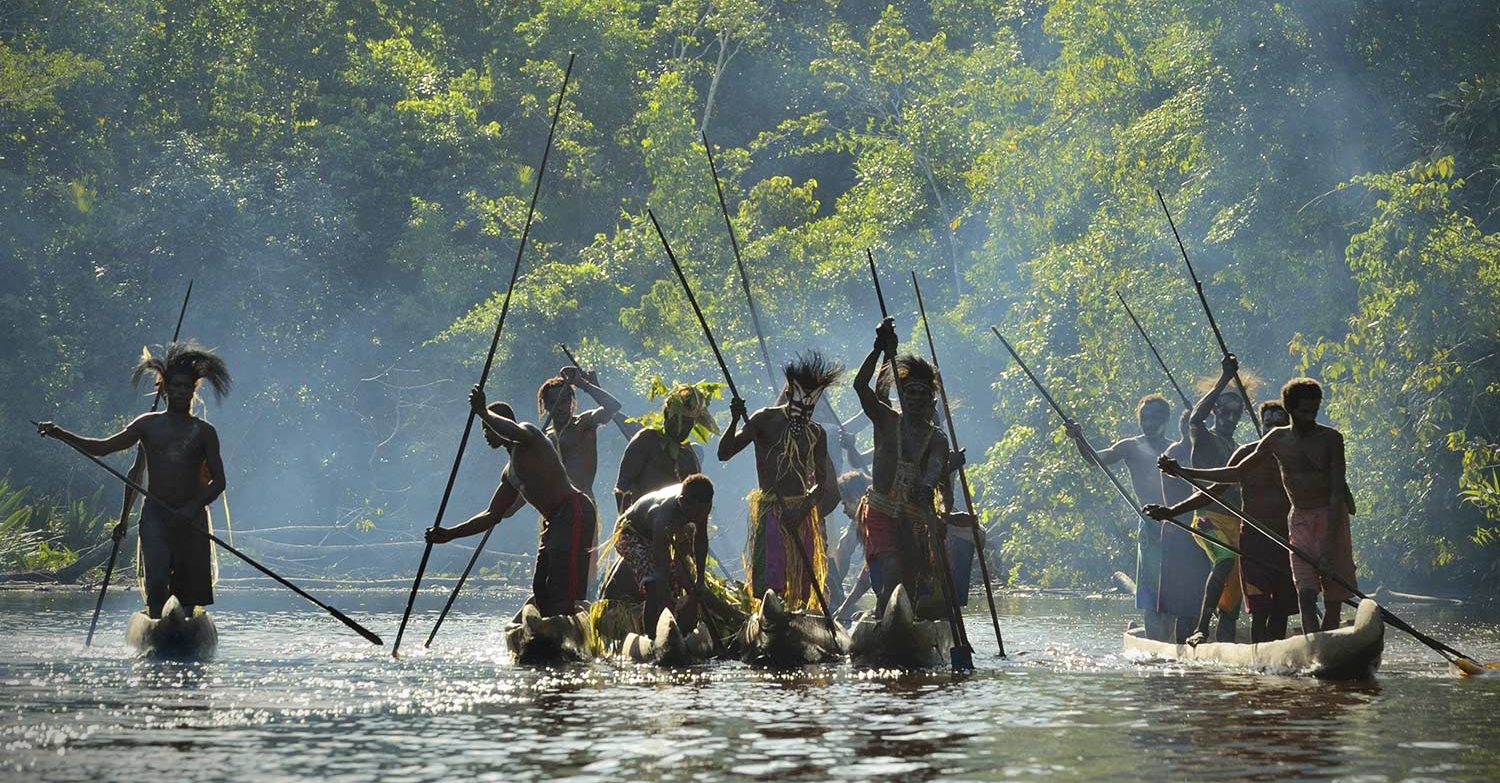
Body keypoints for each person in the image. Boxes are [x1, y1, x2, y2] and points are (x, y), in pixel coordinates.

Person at [36, 341, 230, 619]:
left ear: (193, 390)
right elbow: (104, 448)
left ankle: (186, 627)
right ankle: (155, 626)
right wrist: (60, 434)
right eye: (174, 386)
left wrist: (190, 509)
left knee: (188, 589)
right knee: (157, 578)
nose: (179, 392)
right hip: (156, 518)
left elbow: (219, 482)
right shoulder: (147, 425)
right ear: (164, 389)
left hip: (191, 519)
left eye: (185, 387)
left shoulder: (204, 432)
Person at [1163, 378, 1356, 634]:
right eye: (1302, 412)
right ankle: (1207, 629)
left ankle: (1317, 648)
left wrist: (1331, 542)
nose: (1308, 418)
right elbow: (1231, 476)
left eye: (1313, 412)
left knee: (1309, 604)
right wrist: (1181, 477)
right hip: (1271, 531)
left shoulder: (1329, 439)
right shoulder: (1269, 443)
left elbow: (1336, 490)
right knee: (1296, 598)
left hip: (1304, 528)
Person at [427, 386, 596, 617]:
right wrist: (450, 534)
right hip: (554, 522)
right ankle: (547, 631)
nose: (486, 433)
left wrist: (484, 412)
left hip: (573, 511)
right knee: (540, 587)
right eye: (484, 428)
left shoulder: (530, 436)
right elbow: (491, 515)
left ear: (501, 424)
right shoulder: (509, 473)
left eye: (488, 428)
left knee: (560, 587)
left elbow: (511, 430)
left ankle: (568, 630)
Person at [1147, 401, 1297, 642]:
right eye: (1268, 424)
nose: (1272, 430)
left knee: (1280, 610)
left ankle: (1277, 661)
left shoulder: (1296, 455)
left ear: (1288, 425)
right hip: (1251, 538)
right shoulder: (1247, 454)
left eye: (1279, 425)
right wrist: (1172, 510)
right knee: (1259, 610)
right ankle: (1205, 629)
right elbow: (1217, 487)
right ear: (1261, 425)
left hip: (1285, 539)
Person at [718, 352, 843, 611]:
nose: (805, 412)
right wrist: (733, 420)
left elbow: (821, 482)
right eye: (801, 404)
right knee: (772, 577)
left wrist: (804, 508)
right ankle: (770, 615)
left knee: (800, 582)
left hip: (803, 512)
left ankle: (799, 618)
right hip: (772, 509)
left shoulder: (816, 433)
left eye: (811, 407)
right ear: (788, 393)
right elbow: (724, 452)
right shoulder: (765, 419)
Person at [852, 318, 953, 617]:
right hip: (881, 509)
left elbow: (935, 468)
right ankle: (885, 622)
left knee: (910, 582)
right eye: (911, 393)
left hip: (913, 515)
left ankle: (901, 621)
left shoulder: (937, 438)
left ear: (932, 400)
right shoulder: (887, 420)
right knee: (892, 572)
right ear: (904, 397)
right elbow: (862, 387)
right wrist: (880, 351)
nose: (917, 399)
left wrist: (926, 487)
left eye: (924, 394)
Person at [1065, 394, 1174, 640]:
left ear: (1166, 419)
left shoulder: (1175, 449)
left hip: (1178, 525)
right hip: (1150, 525)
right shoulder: (1131, 447)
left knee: (1175, 588)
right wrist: (1079, 438)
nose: (1149, 423)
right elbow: (1096, 459)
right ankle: (1157, 641)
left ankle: (1174, 636)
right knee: (1151, 591)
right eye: (1145, 418)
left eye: (1155, 417)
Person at [1174, 355, 1249, 645]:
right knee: (1225, 559)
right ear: (1217, 411)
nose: (1230, 419)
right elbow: (1196, 417)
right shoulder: (1204, 438)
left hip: (1236, 523)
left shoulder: (1240, 448)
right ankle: (1201, 628)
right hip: (1207, 519)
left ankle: (1227, 643)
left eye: (1236, 414)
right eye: (1226, 413)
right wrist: (1223, 378)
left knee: (1232, 599)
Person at [537, 366, 623, 587]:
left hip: (581, 505)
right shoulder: (544, 437)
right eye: (554, 402)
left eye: (565, 400)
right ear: (545, 405)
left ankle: (579, 605)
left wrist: (584, 384)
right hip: (554, 509)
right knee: (552, 567)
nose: (561, 407)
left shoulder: (584, 423)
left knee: (580, 570)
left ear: (572, 402)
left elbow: (613, 407)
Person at [608, 476, 713, 630]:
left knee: (687, 583)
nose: (699, 518)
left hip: (663, 532)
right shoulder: (662, 517)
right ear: (682, 502)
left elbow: (701, 538)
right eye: (696, 513)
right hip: (630, 533)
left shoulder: (702, 504)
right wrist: (665, 596)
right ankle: (652, 638)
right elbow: (660, 566)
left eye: (703, 512)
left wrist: (700, 579)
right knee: (656, 586)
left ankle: (684, 631)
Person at [1155, 409, 1208, 642]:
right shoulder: (1175, 453)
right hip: (1181, 530)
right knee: (1183, 600)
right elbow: (1177, 495)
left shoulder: (1206, 450)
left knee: (1199, 594)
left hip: (1203, 529)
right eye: (1194, 426)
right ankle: (1177, 646)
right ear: (1184, 428)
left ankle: (1195, 636)